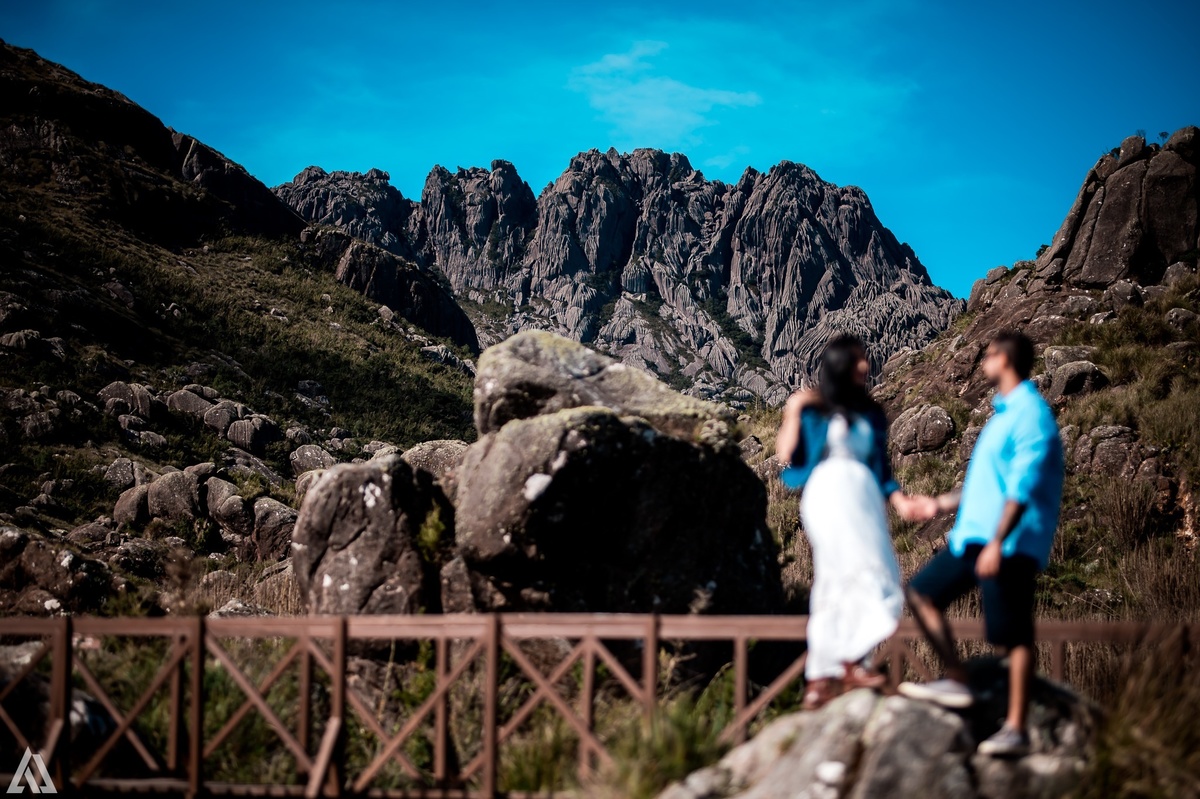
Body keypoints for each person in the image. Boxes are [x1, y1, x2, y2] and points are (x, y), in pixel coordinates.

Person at [898, 330, 1064, 757]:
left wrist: (997, 541)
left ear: (1004, 360)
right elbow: (980, 487)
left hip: (1008, 543)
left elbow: (1021, 487)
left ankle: (1017, 727)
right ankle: (956, 678)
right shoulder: (1000, 417)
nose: (982, 361)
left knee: (1013, 637)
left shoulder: (1030, 414)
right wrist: (937, 503)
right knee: (921, 594)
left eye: (989, 354)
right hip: (971, 538)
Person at [776, 335, 934, 710]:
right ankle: (823, 674)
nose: (865, 365)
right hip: (827, 492)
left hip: (864, 497)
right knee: (835, 575)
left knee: (880, 573)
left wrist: (899, 501)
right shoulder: (814, 409)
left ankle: (852, 662)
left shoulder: (873, 413)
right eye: (858, 359)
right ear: (840, 363)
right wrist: (793, 410)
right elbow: (787, 454)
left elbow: (882, 467)